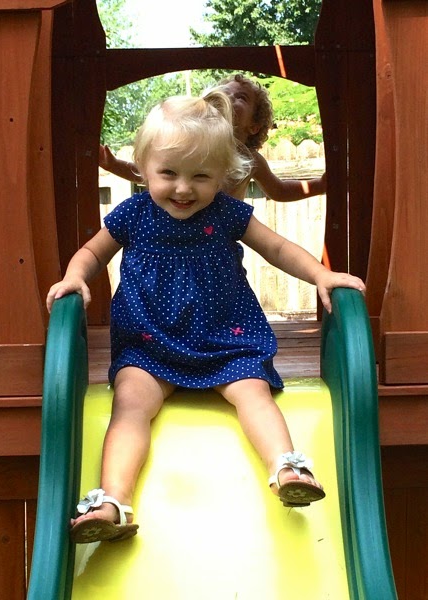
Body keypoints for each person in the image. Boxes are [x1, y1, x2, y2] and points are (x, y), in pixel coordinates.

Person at [47, 90, 364, 544]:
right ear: (144, 167)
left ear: (223, 176)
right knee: (130, 406)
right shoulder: (133, 214)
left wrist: (321, 275)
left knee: (254, 393)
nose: (183, 188)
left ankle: (288, 468)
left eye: (200, 176)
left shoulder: (227, 213)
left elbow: (277, 248)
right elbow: (92, 252)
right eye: (168, 173)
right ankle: (113, 501)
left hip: (224, 342)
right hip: (151, 347)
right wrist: (75, 277)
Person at [99, 73, 326, 203]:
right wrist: (113, 164)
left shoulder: (250, 159)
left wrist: (319, 185)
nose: (229, 96)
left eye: (241, 97)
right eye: (225, 91)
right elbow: (148, 173)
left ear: (254, 126)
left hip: (220, 241)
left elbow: (279, 190)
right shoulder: (193, 145)